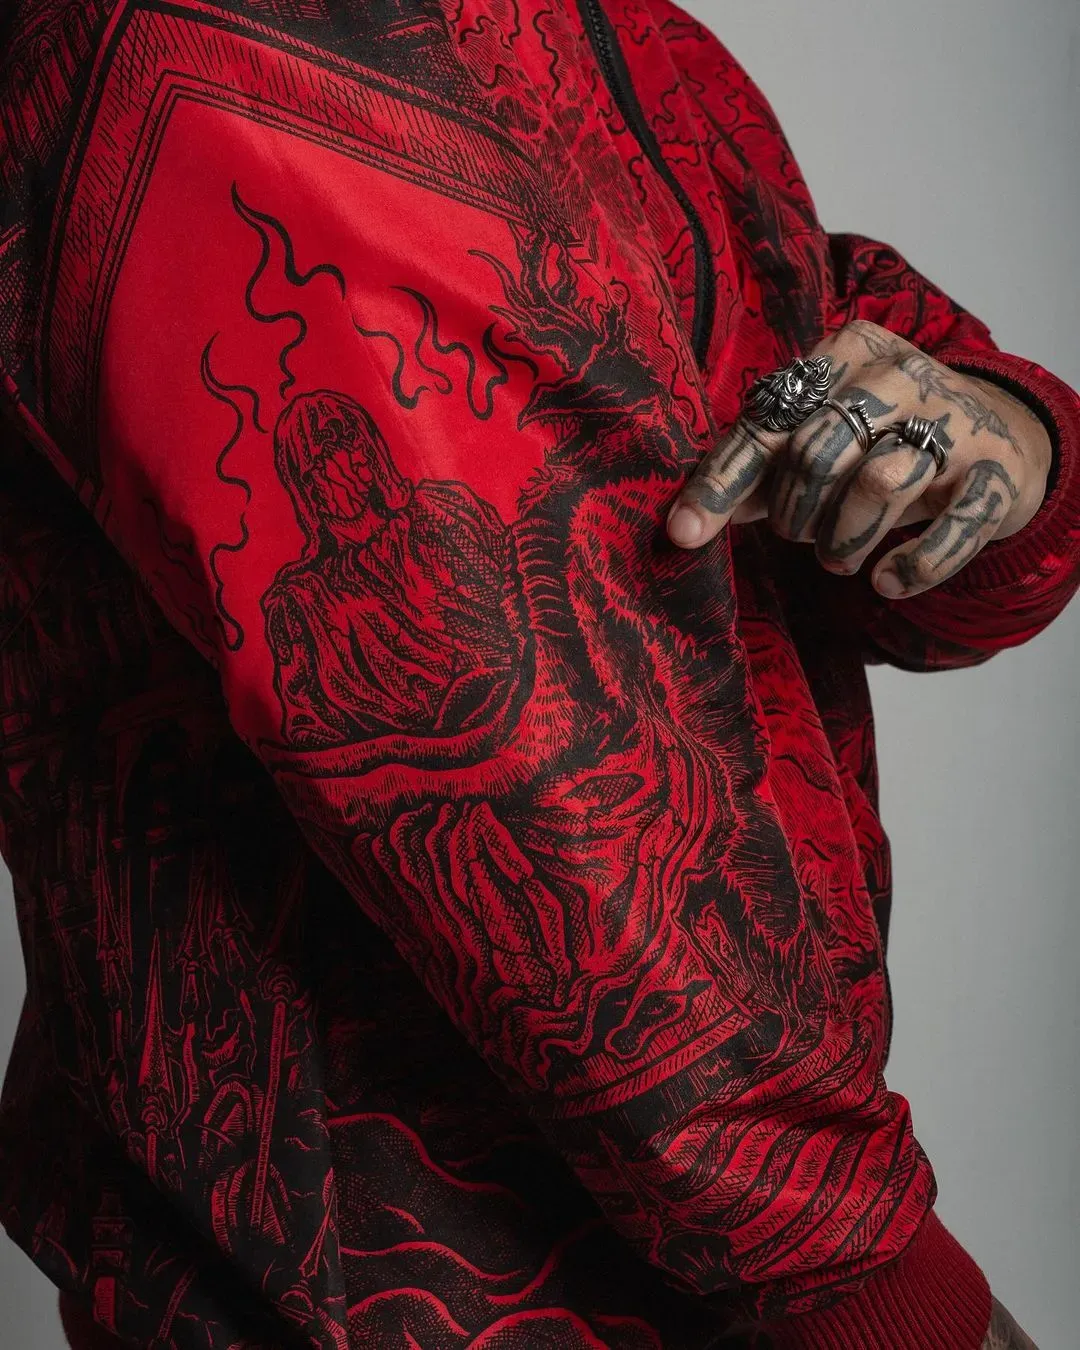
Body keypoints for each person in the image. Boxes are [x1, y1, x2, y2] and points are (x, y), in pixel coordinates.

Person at [0, 0, 1073, 1347]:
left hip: (697, 1236)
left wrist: (1001, 444)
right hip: (406, 1282)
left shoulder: (617, 37)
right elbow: (520, 783)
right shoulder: (221, 48)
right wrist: (874, 1288)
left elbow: (856, 499)